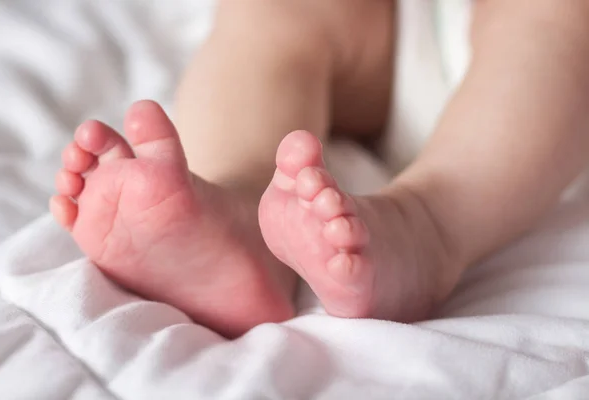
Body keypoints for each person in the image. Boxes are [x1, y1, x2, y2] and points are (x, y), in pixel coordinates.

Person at [49, 0, 589, 338]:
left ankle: (428, 225)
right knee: (280, 11)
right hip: (408, 25)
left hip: (535, 83)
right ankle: (237, 207)